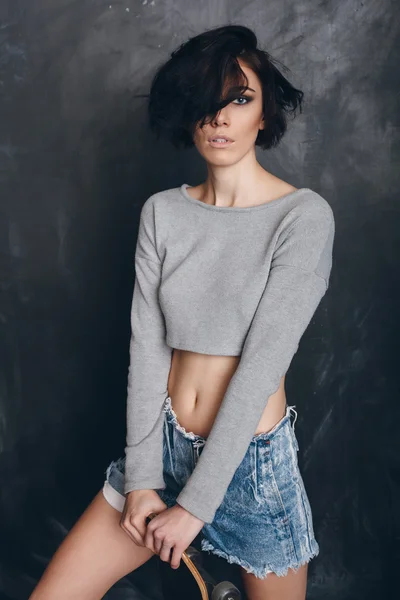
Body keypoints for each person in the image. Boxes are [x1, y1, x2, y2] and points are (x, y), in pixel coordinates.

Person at [30, 24, 335, 600]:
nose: (219, 118)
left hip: (250, 466)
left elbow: (261, 366)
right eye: (205, 103)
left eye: (239, 100)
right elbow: (147, 350)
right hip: (159, 448)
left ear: (264, 115)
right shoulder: (162, 213)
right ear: (186, 112)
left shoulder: (302, 217)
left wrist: (195, 506)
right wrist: (144, 482)